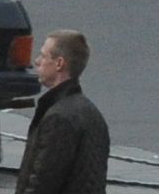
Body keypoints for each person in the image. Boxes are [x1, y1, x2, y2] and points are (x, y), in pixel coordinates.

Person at [15, 30, 109, 194]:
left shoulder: (59, 118)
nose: (37, 61)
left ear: (59, 63)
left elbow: (43, 182)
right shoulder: (92, 114)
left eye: (43, 56)